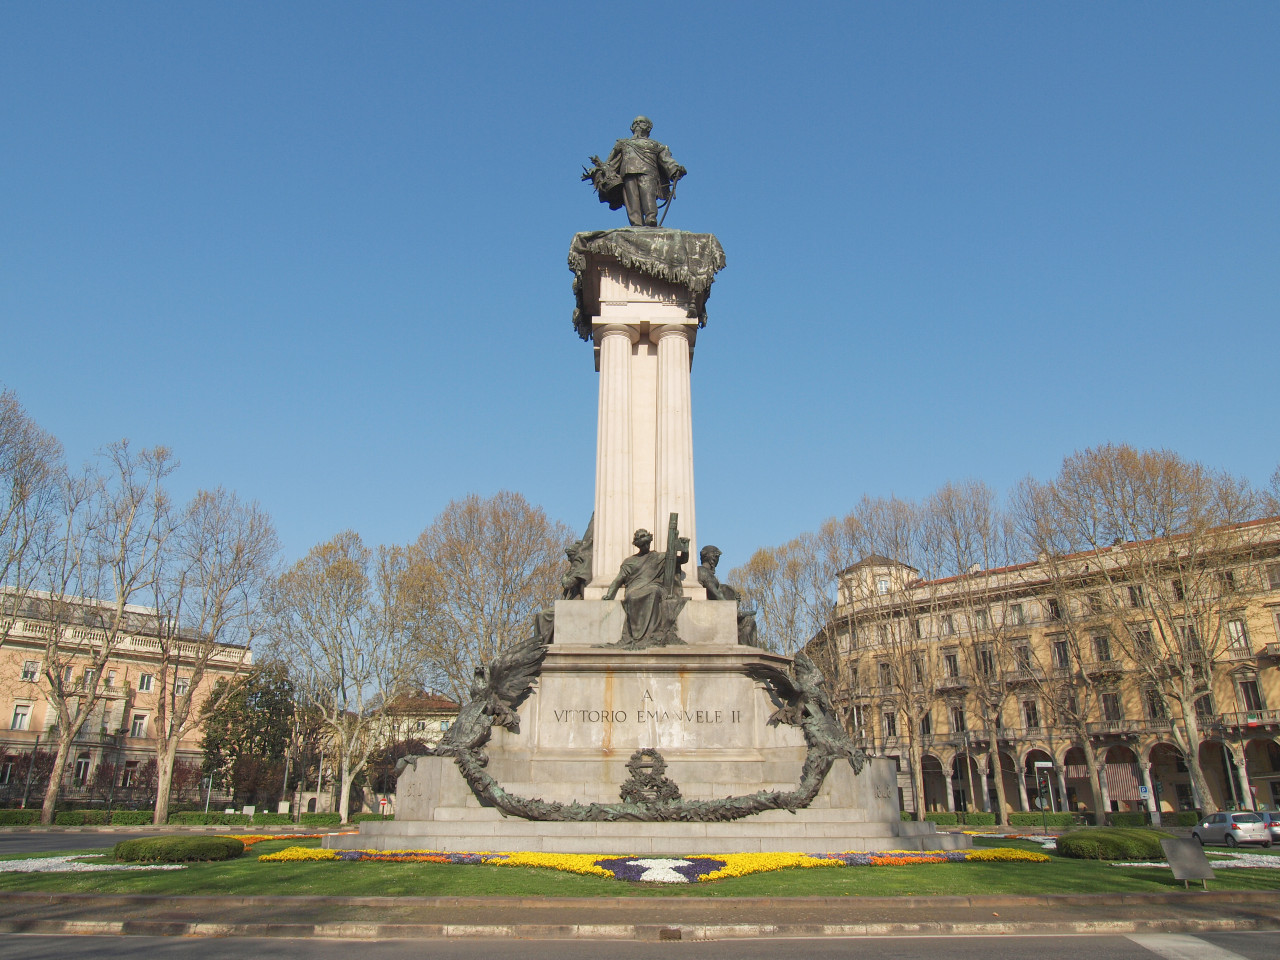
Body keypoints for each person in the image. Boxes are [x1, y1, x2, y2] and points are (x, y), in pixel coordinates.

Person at [585, 117, 686, 227]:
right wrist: (601, 170)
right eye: (635, 123)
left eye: (641, 122)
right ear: (632, 127)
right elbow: (611, 162)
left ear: (648, 127)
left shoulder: (657, 145)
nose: (637, 124)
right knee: (632, 199)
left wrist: (675, 169)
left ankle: (650, 218)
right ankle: (636, 222)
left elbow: (666, 160)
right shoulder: (623, 144)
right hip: (628, 173)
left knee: (648, 195)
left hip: (648, 173)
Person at [603, 528, 687, 646]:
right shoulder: (629, 561)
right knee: (632, 596)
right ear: (638, 545)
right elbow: (618, 580)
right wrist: (609, 595)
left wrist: (685, 549)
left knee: (654, 591)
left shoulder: (658, 557)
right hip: (634, 589)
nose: (646, 546)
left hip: (653, 587)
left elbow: (681, 560)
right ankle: (638, 635)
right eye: (643, 544)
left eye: (647, 543)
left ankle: (652, 633)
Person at [697, 545, 759, 647]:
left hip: (715, 610)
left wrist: (735, 603)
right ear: (712, 558)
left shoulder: (707, 573)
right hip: (711, 614)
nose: (717, 561)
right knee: (748, 622)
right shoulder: (703, 572)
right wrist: (735, 610)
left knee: (749, 621)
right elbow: (718, 596)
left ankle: (746, 652)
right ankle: (745, 653)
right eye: (717, 558)